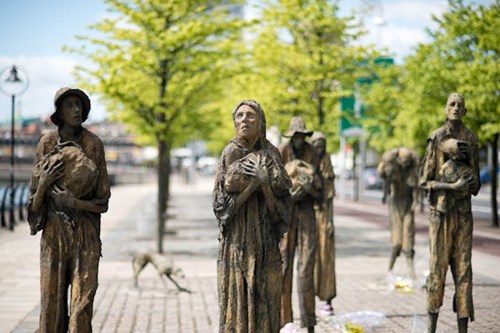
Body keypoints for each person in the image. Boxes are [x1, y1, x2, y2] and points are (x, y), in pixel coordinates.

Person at [27, 87, 111, 332]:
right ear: (59, 113)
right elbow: (32, 205)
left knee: (82, 303)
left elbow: (103, 202)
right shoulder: (47, 143)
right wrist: (42, 185)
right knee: (51, 303)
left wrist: (74, 203)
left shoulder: (93, 144)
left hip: (86, 233)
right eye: (69, 105)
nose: (76, 109)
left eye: (79, 105)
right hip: (54, 233)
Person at [213, 100, 292, 333]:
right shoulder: (230, 153)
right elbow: (222, 209)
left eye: (250, 116)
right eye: (240, 116)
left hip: (265, 242)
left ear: (261, 122)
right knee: (235, 304)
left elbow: (282, 207)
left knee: (266, 301)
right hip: (237, 244)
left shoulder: (271, 153)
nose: (244, 120)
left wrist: (265, 184)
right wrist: (251, 187)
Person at [419, 93, 480, 333]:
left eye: (460, 105)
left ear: (464, 112)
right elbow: (424, 182)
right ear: (446, 109)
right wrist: (452, 187)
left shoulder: (471, 139)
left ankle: (462, 329)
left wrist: (473, 183)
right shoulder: (436, 138)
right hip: (441, 215)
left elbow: (476, 186)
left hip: (464, 215)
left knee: (464, 271)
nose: (456, 108)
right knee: (437, 270)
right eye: (452, 104)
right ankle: (430, 328)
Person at [279, 117, 322, 333]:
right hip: (287, 218)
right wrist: (289, 195)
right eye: (295, 136)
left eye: (301, 136)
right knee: (284, 265)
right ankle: (283, 321)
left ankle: (309, 323)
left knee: (306, 269)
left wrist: (308, 189)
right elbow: (274, 186)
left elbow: (321, 190)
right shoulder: (281, 151)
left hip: (306, 216)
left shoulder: (312, 153)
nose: (298, 140)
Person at [377, 147, 419, 280]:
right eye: (403, 160)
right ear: (399, 160)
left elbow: (416, 191)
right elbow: (381, 172)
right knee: (397, 241)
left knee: (408, 238)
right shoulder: (392, 169)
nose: (406, 163)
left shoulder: (411, 172)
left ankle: (411, 272)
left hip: (407, 206)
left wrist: (415, 203)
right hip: (395, 206)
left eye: (408, 160)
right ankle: (390, 269)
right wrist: (389, 156)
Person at [310, 132, 336, 315]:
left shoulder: (327, 163)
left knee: (326, 257)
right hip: (308, 216)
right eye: (316, 146)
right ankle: (309, 301)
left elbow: (329, 197)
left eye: (322, 146)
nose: (320, 150)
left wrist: (330, 221)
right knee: (309, 260)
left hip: (323, 216)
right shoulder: (306, 161)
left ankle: (328, 299)